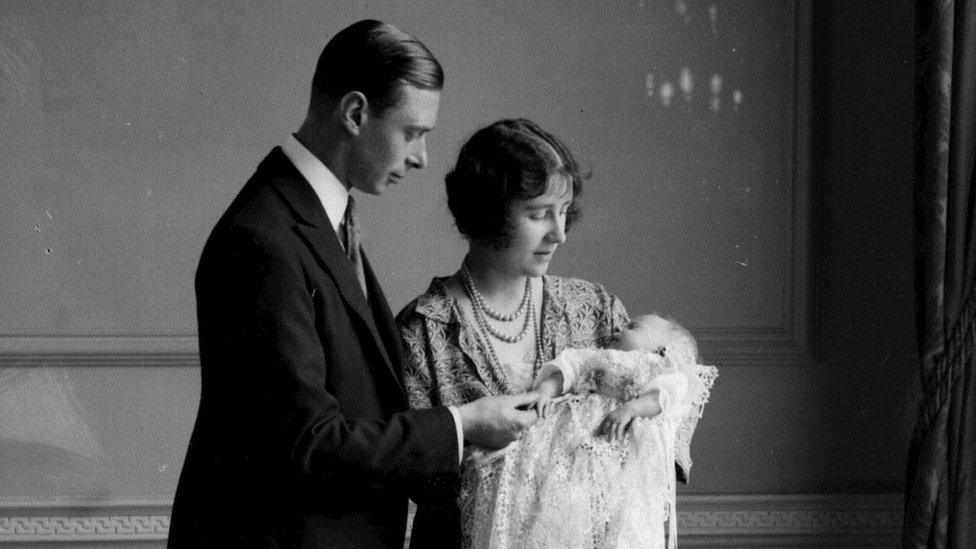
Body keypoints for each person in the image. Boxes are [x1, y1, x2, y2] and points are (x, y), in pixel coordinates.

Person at [168, 21, 539, 548]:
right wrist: (461, 425)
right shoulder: (261, 240)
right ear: (356, 114)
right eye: (413, 133)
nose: (422, 158)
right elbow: (311, 443)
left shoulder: (320, 221)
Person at [397, 118, 629, 546]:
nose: (559, 234)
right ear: (489, 211)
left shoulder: (594, 311)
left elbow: (664, 426)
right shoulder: (422, 332)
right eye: (539, 214)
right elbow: (406, 478)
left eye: (563, 213)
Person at [456, 314, 718, 548]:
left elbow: (663, 397)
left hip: (613, 440)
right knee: (552, 484)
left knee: (613, 506)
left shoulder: (657, 367)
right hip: (568, 432)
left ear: (662, 350)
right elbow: (569, 369)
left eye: (633, 326)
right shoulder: (596, 356)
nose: (618, 328)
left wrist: (630, 409)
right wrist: (545, 392)